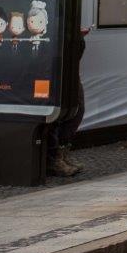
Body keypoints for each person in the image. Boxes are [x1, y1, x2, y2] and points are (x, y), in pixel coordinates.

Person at [47, 27, 88, 177]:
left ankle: (61, 155)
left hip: (70, 69)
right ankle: (54, 159)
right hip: (58, 68)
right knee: (57, 115)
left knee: (77, 110)